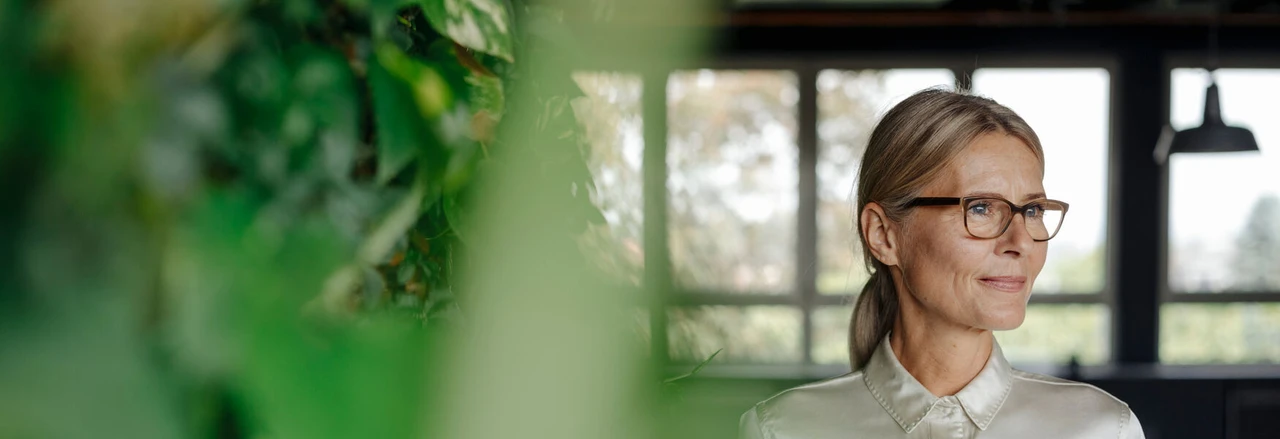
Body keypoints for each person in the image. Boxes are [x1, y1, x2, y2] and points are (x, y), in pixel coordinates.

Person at [738, 88, 1144, 439]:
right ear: (883, 235)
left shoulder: (1103, 429)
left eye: (1033, 210)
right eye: (982, 207)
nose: (1021, 241)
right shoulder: (782, 429)